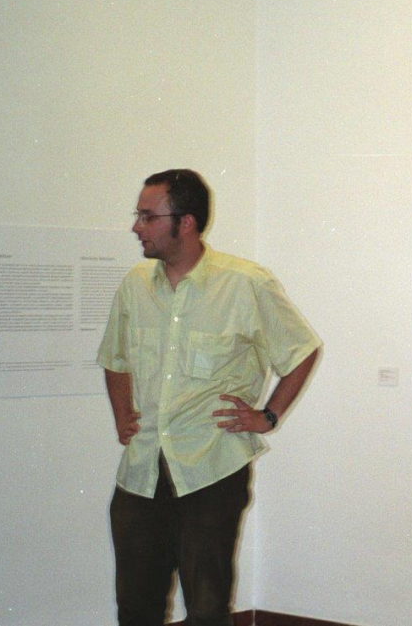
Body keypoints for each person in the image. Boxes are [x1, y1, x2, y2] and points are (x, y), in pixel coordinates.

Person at [98, 169, 321, 626]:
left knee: (206, 610)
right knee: (135, 606)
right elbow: (115, 357)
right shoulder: (135, 285)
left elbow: (301, 350)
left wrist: (268, 416)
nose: (136, 226)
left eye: (148, 216)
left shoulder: (245, 283)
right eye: (138, 215)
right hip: (142, 471)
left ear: (186, 222)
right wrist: (122, 414)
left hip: (211, 471)